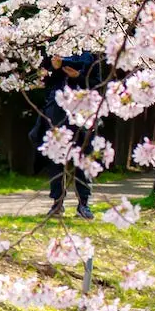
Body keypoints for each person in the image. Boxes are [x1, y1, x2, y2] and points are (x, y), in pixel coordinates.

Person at [32, 51, 101, 218]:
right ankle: (57, 202)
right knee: (56, 157)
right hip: (57, 111)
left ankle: (83, 204)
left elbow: (97, 84)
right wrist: (55, 69)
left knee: (82, 156)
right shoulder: (56, 50)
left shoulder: (91, 54)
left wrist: (78, 76)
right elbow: (43, 81)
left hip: (82, 112)